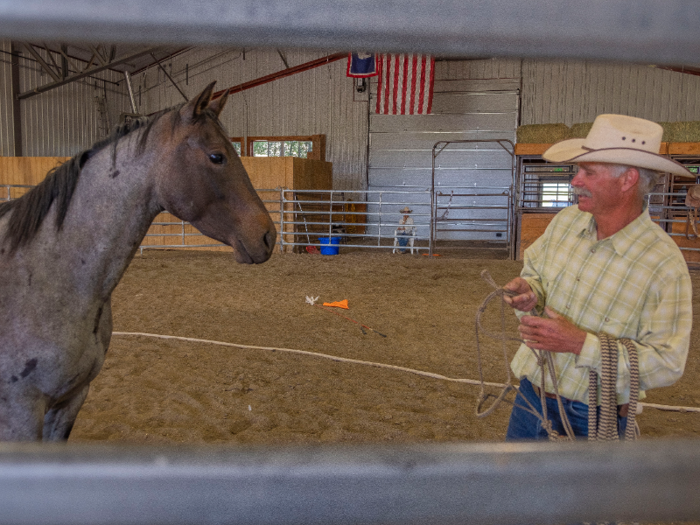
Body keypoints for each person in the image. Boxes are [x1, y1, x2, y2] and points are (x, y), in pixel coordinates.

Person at [503, 114, 694, 440]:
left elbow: (667, 362)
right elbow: (535, 274)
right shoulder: (566, 222)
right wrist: (530, 292)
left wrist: (580, 344)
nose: (575, 181)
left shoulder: (663, 265)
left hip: (594, 414)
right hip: (532, 396)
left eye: (588, 172)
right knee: (511, 490)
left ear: (627, 180)